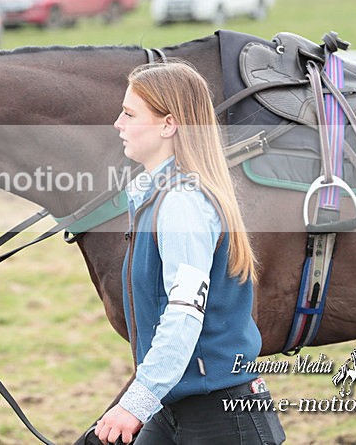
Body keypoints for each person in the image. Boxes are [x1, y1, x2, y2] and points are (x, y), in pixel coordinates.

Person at [94, 60, 285, 444]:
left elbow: (183, 317)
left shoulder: (182, 203)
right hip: (176, 408)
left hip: (222, 420)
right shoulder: (156, 197)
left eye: (130, 113)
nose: (118, 123)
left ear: (168, 124)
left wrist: (135, 403)